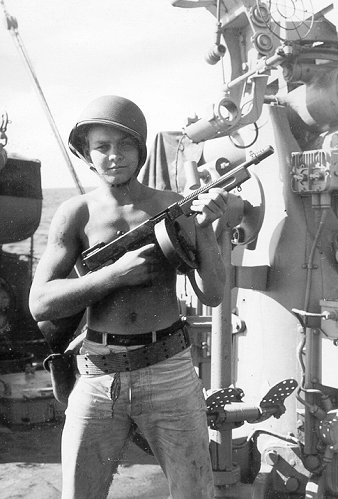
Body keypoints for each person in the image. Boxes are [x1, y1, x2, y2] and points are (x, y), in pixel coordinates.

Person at [29, 95, 228, 499]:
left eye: (124, 145)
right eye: (101, 146)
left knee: (195, 493)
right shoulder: (76, 213)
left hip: (169, 371)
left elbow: (212, 294)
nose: (114, 155)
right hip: (98, 375)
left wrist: (206, 229)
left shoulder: (172, 206)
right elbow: (40, 303)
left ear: (140, 150)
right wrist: (114, 276)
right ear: (86, 154)